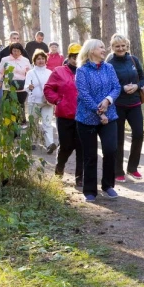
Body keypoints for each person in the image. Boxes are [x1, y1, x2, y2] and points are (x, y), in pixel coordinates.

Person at [75, 39, 121, 203]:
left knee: (110, 149)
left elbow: (117, 88)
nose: (104, 49)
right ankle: (90, 190)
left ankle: (108, 185)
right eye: (101, 47)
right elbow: (84, 94)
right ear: (91, 50)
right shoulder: (82, 71)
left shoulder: (109, 68)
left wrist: (107, 101)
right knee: (90, 155)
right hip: (86, 119)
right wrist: (98, 111)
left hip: (110, 116)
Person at [107, 34, 144, 182]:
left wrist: (136, 85)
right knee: (119, 138)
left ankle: (133, 168)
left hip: (135, 103)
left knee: (138, 133)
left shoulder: (133, 60)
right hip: (118, 105)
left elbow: (142, 78)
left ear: (126, 45)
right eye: (117, 46)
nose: (121, 48)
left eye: (123, 45)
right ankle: (118, 170)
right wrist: (122, 88)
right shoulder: (110, 64)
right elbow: (109, 84)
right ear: (113, 48)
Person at [44, 43, 83, 187]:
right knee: (66, 146)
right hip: (64, 115)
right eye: (74, 56)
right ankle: (59, 168)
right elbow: (48, 88)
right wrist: (57, 100)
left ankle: (80, 178)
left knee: (82, 147)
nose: (76, 59)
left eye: (79, 56)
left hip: (83, 116)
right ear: (69, 57)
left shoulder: (86, 71)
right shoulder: (59, 71)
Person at [25, 49, 56, 153]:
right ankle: (32, 142)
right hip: (33, 102)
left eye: (43, 58)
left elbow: (54, 86)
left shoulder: (50, 72)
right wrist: (29, 86)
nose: (41, 60)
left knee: (47, 123)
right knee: (33, 122)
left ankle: (50, 144)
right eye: (38, 59)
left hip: (47, 102)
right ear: (34, 60)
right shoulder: (31, 72)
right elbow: (26, 86)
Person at [0, 43, 31, 124]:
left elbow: (30, 73)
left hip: (21, 88)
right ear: (11, 51)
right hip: (8, 88)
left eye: (18, 51)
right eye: (14, 51)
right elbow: (0, 72)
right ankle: (11, 129)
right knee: (10, 108)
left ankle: (19, 126)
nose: (16, 53)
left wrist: (30, 83)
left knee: (20, 107)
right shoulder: (5, 60)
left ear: (21, 51)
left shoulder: (25, 60)